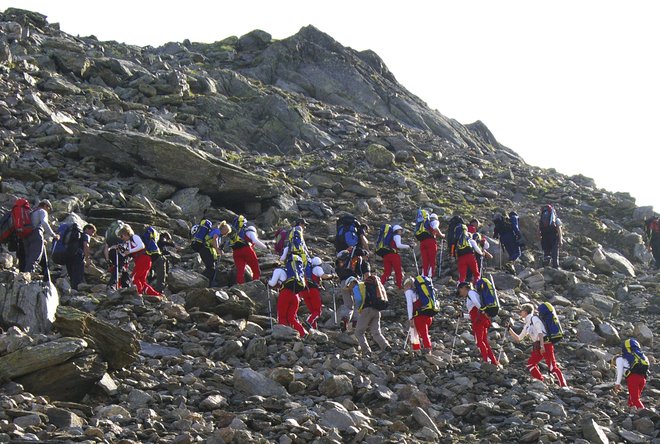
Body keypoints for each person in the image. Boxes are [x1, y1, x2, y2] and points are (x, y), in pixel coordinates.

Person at [508, 303, 567, 386]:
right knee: (530, 364)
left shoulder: (534, 319)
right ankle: (540, 381)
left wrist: (542, 346)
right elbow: (519, 339)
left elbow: (540, 333)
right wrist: (509, 329)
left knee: (552, 367)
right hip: (538, 346)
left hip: (545, 344)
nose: (520, 313)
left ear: (525, 311)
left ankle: (564, 386)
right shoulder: (527, 324)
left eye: (521, 311)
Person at [345, 276, 390, 355]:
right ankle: (386, 346)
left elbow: (358, 299)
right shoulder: (366, 285)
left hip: (366, 311)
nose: (349, 288)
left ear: (352, 282)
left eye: (348, 286)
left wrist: (359, 309)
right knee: (376, 332)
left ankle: (366, 351)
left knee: (359, 332)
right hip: (376, 310)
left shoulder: (357, 287)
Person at [456, 282, 499, 365]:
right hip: (482, 319)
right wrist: (463, 315)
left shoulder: (471, 293)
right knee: (484, 341)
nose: (460, 293)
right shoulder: (474, 293)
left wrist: (482, 310)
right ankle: (494, 361)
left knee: (479, 342)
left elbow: (476, 304)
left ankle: (486, 361)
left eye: (460, 290)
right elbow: (474, 314)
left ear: (464, 288)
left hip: (478, 321)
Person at [115, 224, 162, 299]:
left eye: (121, 236)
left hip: (143, 259)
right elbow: (128, 254)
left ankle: (139, 294)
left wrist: (129, 251)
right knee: (141, 280)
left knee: (134, 277)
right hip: (143, 261)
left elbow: (141, 246)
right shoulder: (129, 242)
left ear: (126, 233)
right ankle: (156, 294)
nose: (121, 238)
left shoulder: (134, 237)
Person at [268, 256, 307, 337]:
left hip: (285, 294)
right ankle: (303, 333)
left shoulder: (278, 270)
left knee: (282, 316)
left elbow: (272, 283)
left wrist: (267, 281)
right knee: (291, 318)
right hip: (295, 295)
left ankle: (284, 336)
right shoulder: (290, 272)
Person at [335, 249, 372, 332]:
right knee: (358, 304)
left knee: (348, 304)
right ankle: (356, 324)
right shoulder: (364, 263)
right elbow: (367, 275)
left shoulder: (347, 261)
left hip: (344, 282)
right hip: (355, 282)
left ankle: (344, 320)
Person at [229, 216, 268, 284]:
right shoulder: (249, 231)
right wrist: (266, 247)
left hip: (236, 252)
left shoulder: (234, 233)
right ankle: (255, 285)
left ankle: (240, 286)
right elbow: (255, 241)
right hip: (246, 251)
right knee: (256, 270)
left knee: (240, 272)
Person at [23, 200, 59, 273]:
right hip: (36, 234)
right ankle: (30, 273)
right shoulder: (42, 211)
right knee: (35, 256)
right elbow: (44, 223)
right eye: (49, 208)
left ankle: (24, 275)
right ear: (45, 206)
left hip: (26, 236)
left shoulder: (32, 212)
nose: (48, 211)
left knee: (29, 256)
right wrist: (54, 235)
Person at [613, 338, 649, 410]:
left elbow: (619, 372)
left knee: (635, 399)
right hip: (643, 379)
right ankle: (631, 411)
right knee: (633, 397)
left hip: (633, 378)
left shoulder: (620, 358)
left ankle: (645, 414)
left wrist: (617, 383)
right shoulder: (643, 356)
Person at [299, 256, 334, 330]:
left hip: (304, 291)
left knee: (313, 312)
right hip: (313, 291)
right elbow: (323, 276)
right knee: (317, 311)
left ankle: (314, 328)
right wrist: (332, 276)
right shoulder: (317, 268)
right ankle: (309, 321)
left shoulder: (306, 270)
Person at [403, 277, 433, 353]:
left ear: (407, 285)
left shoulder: (409, 292)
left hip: (419, 316)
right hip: (427, 315)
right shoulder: (419, 292)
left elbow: (410, 305)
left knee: (416, 333)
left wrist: (410, 318)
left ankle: (420, 349)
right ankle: (424, 348)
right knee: (424, 333)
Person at [191, 219, 223, 287]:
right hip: (206, 250)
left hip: (204, 250)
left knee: (211, 268)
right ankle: (199, 282)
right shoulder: (216, 232)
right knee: (211, 269)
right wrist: (218, 250)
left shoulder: (209, 233)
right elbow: (214, 241)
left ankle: (206, 283)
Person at [66, 224, 96, 290]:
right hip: (78, 255)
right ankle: (76, 289)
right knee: (78, 273)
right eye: (92, 231)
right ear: (86, 229)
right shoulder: (85, 235)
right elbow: (86, 245)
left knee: (71, 273)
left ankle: (72, 289)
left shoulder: (75, 236)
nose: (92, 234)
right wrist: (87, 259)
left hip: (68, 255)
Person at [380, 225, 411, 289]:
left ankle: (380, 284)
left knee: (387, 272)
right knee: (398, 271)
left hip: (386, 255)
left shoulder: (389, 238)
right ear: (397, 230)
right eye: (400, 230)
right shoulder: (397, 236)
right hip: (394, 255)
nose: (401, 232)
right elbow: (398, 245)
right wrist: (408, 246)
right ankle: (399, 286)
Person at [415, 212, 445, 278]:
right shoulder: (434, 221)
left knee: (425, 260)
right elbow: (435, 228)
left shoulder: (423, 223)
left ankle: (423, 275)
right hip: (431, 242)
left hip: (422, 242)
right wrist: (441, 235)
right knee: (432, 259)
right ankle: (430, 275)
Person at [104, 220, 130, 289]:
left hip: (112, 251)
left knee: (121, 269)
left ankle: (126, 286)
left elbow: (106, 248)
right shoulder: (124, 232)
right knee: (119, 268)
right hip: (121, 252)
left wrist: (107, 259)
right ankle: (111, 285)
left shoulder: (109, 233)